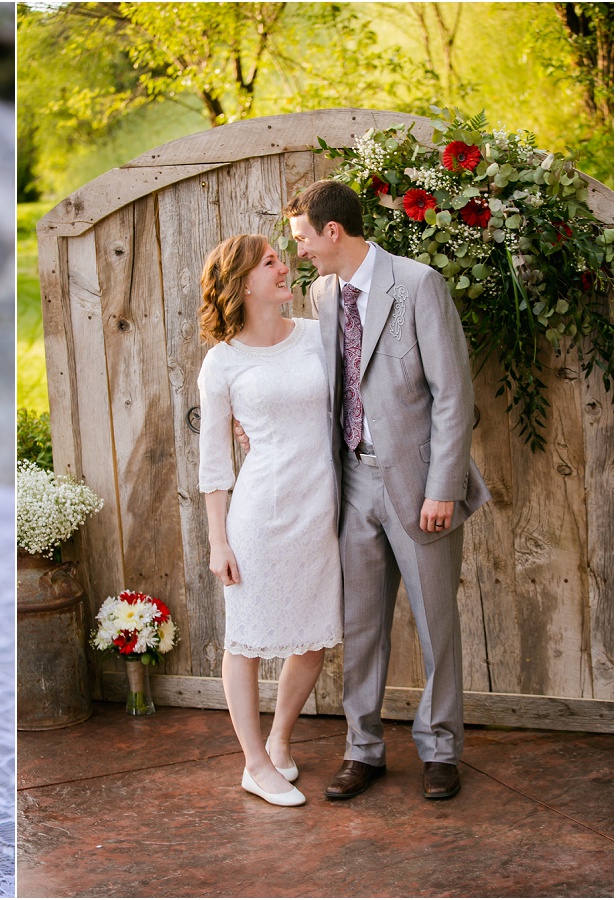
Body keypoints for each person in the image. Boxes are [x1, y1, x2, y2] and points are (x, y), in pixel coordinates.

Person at [279, 179, 491, 801]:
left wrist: (443, 487)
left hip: (420, 486)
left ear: (332, 231)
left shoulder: (418, 284)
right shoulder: (322, 293)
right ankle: (363, 749)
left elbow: (454, 394)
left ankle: (442, 751)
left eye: (302, 239)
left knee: (436, 625)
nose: (300, 253)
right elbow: (312, 377)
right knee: (361, 623)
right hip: (350, 485)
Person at [197, 233, 343, 808]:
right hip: (258, 517)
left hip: (319, 510)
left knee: (312, 639)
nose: (286, 268)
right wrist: (217, 542)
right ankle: (254, 764)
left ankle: (280, 742)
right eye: (271, 263)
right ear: (243, 283)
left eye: (283, 258)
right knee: (248, 641)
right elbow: (213, 462)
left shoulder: (315, 337)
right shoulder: (223, 361)